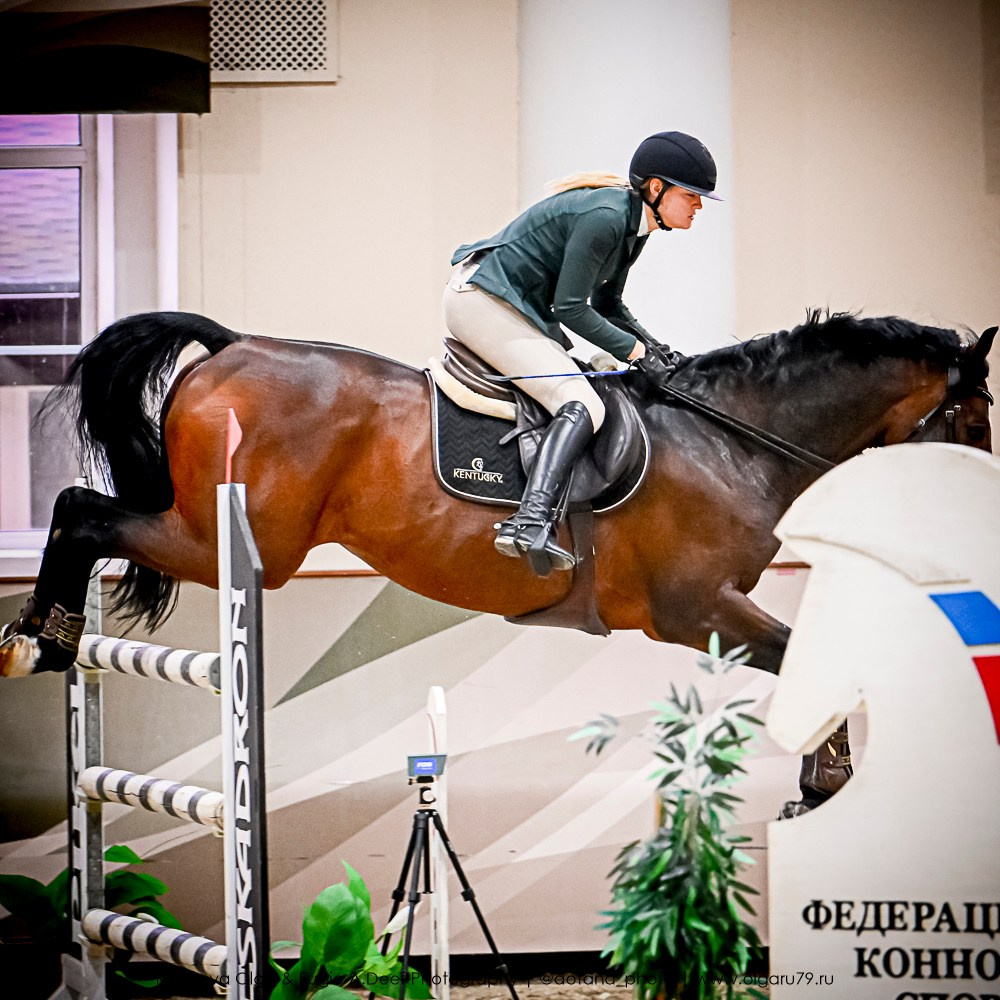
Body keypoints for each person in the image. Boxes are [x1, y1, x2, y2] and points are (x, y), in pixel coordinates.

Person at [443, 130, 720, 576]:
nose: (699, 206)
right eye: (692, 195)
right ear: (657, 188)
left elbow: (608, 304)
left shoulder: (634, 223)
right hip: (482, 301)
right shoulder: (607, 217)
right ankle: (529, 521)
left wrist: (654, 350)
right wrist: (633, 351)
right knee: (582, 401)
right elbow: (569, 308)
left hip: (513, 305)